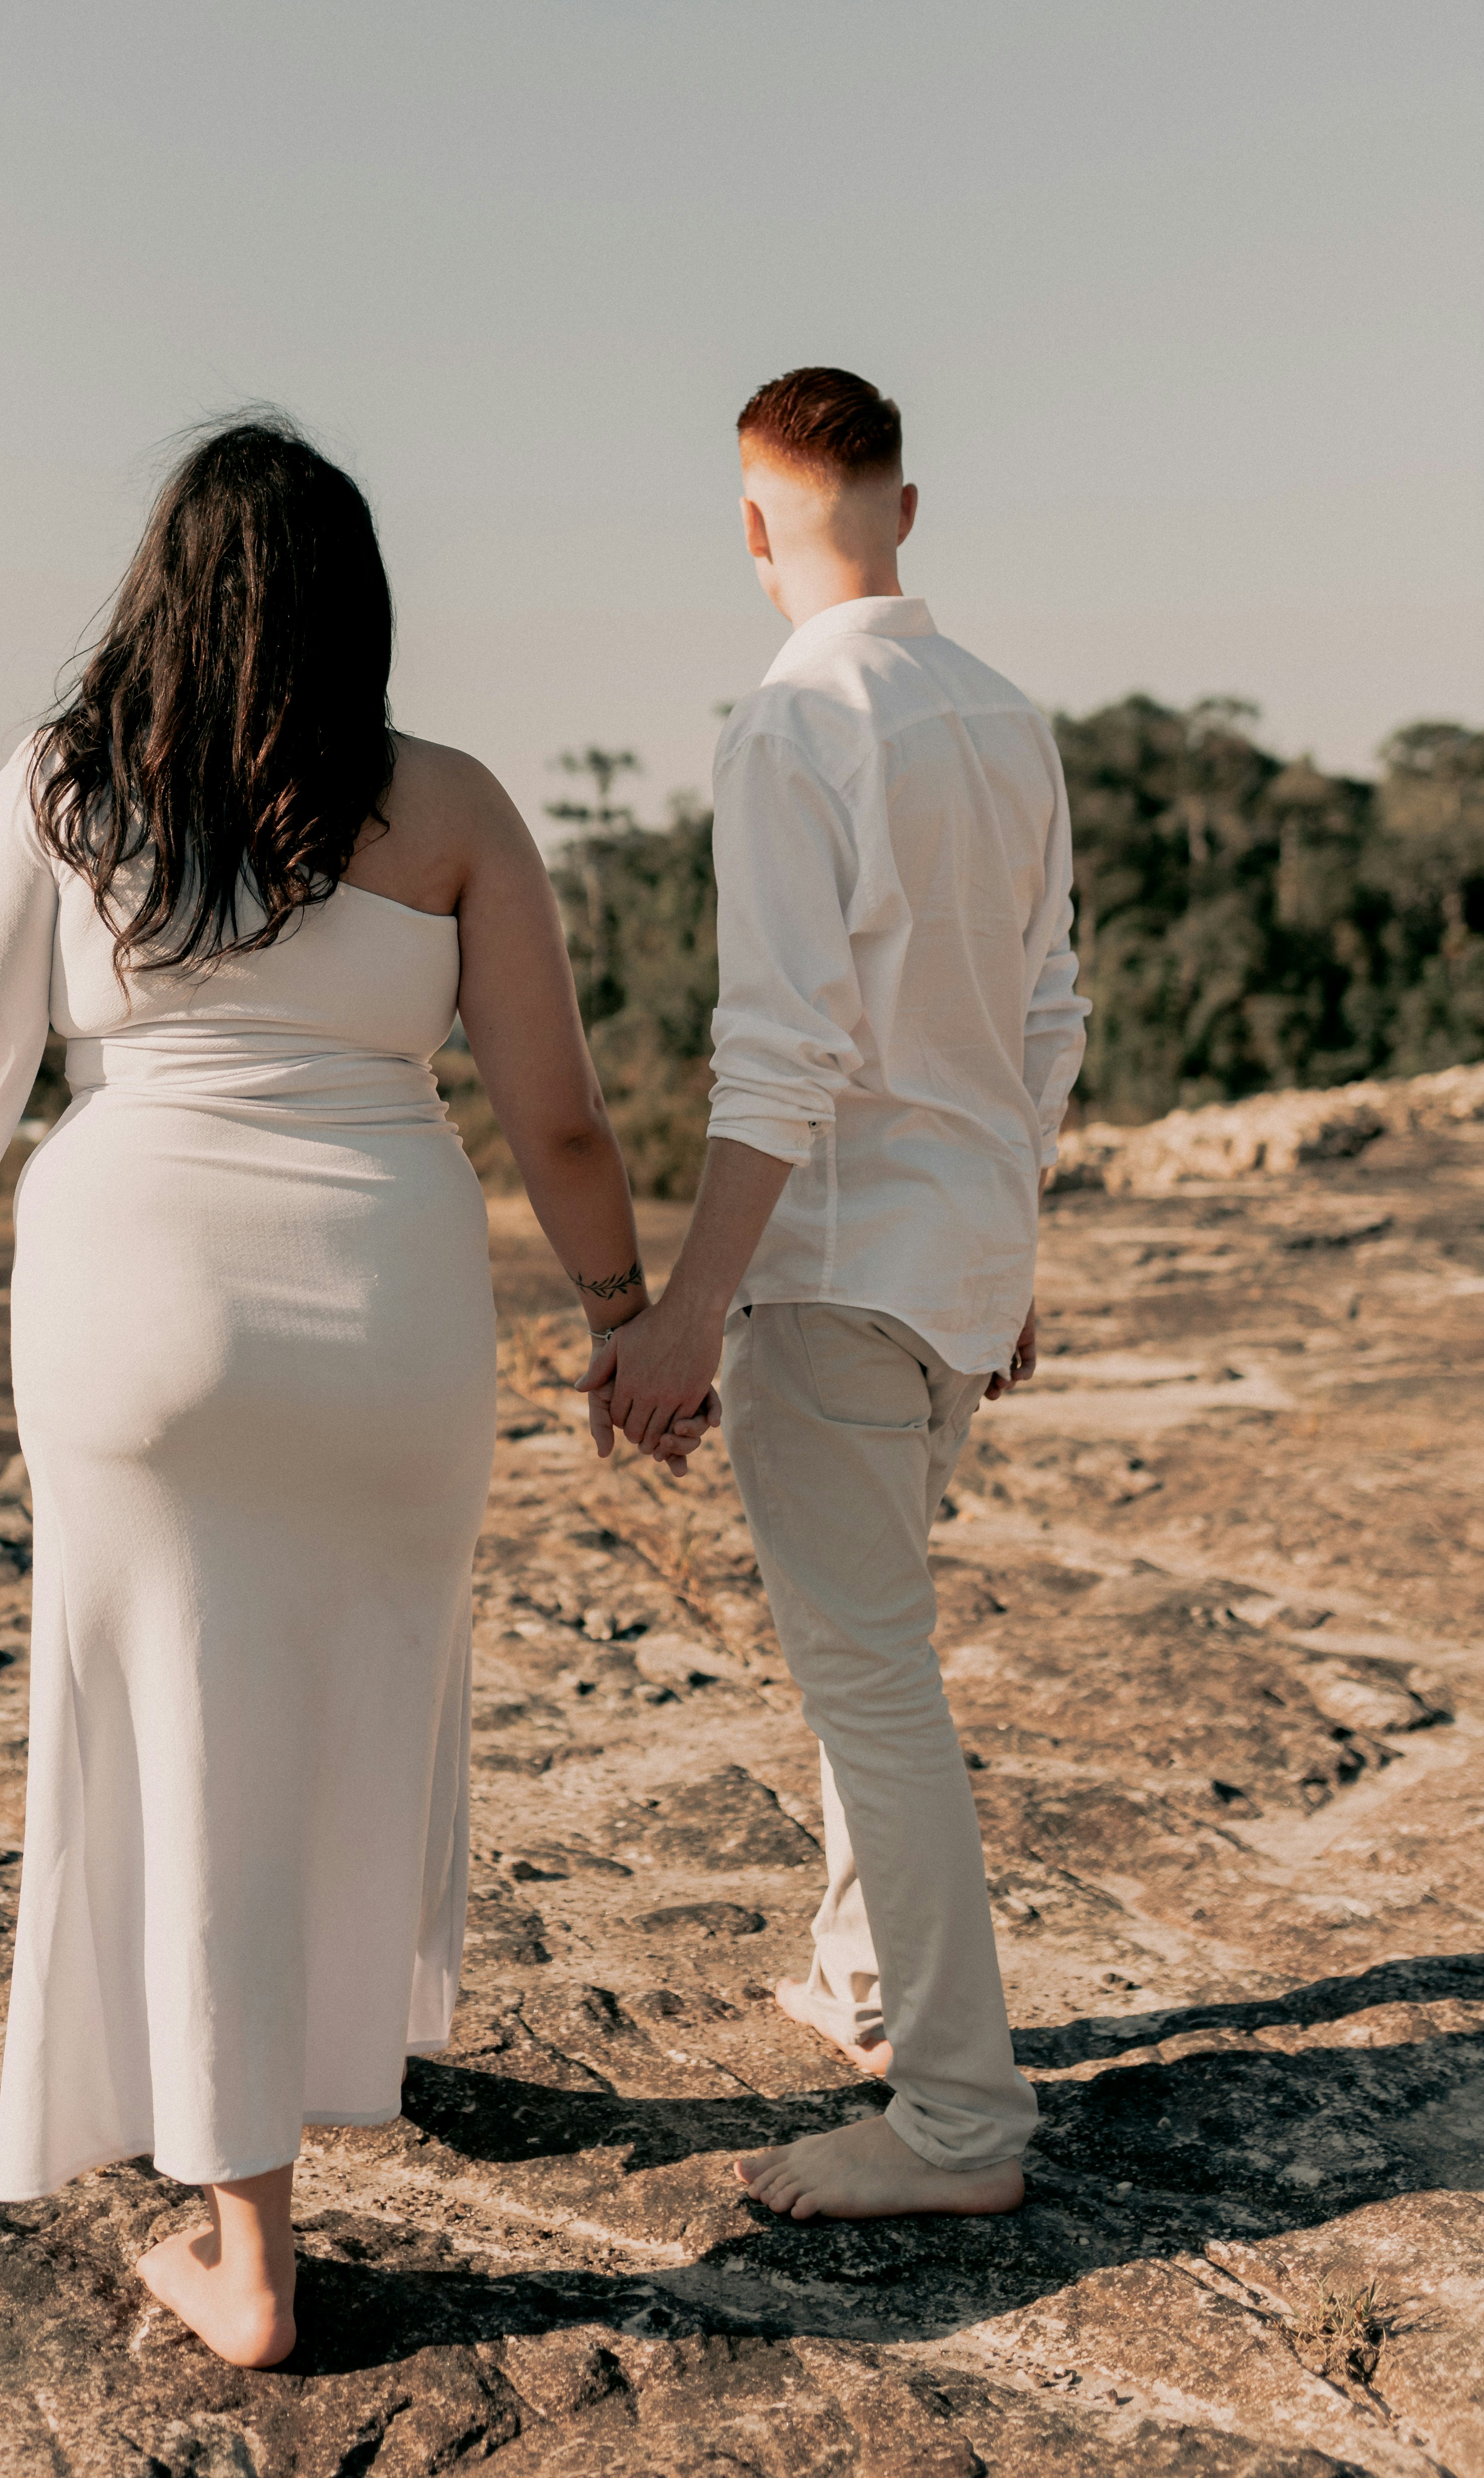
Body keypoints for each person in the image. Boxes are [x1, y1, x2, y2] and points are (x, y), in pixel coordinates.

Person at [0, 421, 706, 2369]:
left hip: (134, 1313)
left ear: (158, 598)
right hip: (387, 1311)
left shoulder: (62, 791)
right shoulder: (445, 803)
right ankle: (324, 2069)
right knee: (357, 1684)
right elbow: (557, 1115)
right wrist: (624, 1313)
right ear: (355, 609)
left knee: (175, 1721)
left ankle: (241, 2237)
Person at [583, 366, 1088, 2225]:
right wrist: (1009, 1240)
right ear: (905, 504)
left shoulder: (793, 722)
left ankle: (960, 2120)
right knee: (874, 1644)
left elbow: (779, 1055)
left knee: (872, 1688)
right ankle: (866, 1988)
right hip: (957, 1268)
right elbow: (1049, 1017)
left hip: (837, 1274)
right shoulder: (1005, 715)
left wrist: (683, 1316)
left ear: (751, 520)